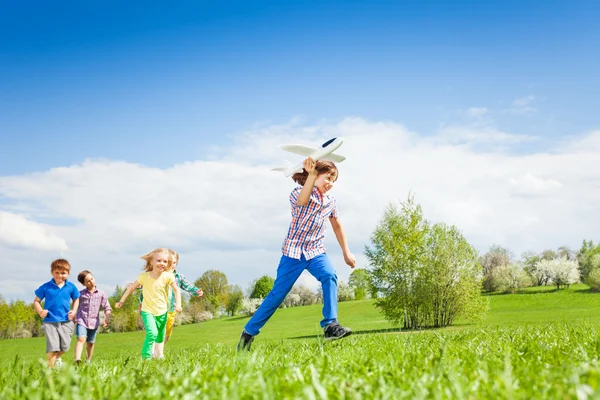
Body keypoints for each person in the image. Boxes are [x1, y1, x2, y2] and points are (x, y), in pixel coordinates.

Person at [237, 157, 356, 351]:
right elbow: (303, 201)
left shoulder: (330, 202)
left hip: (316, 251)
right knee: (277, 295)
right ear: (315, 174)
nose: (331, 184)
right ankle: (248, 333)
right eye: (328, 178)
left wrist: (346, 252)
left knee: (329, 275)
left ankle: (330, 325)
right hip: (293, 253)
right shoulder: (296, 194)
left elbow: (336, 225)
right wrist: (311, 175)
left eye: (334, 180)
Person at [115, 248, 182, 360]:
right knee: (152, 333)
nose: (162, 263)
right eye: (159, 260)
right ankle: (146, 358)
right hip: (148, 311)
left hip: (162, 311)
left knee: (160, 336)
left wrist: (178, 304)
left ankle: (159, 355)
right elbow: (131, 288)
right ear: (151, 262)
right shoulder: (144, 277)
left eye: (165, 261)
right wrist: (121, 301)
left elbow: (176, 290)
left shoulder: (168, 277)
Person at [33, 259, 80, 367]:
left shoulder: (71, 287)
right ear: (52, 273)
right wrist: (40, 311)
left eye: (63, 273)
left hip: (66, 320)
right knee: (53, 347)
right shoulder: (46, 286)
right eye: (56, 272)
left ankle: (53, 361)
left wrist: (74, 310)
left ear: (68, 273)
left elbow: (76, 299)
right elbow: (36, 301)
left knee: (65, 347)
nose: (59, 275)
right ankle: (50, 369)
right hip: (50, 321)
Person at [73, 270, 112, 365]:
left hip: (94, 322)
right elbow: (75, 306)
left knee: (90, 343)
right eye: (88, 281)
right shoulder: (80, 294)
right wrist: (73, 317)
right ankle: (77, 359)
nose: (91, 281)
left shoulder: (101, 293)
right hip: (82, 320)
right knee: (81, 338)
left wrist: (107, 317)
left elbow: (107, 307)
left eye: (92, 278)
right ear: (83, 284)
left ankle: (88, 361)